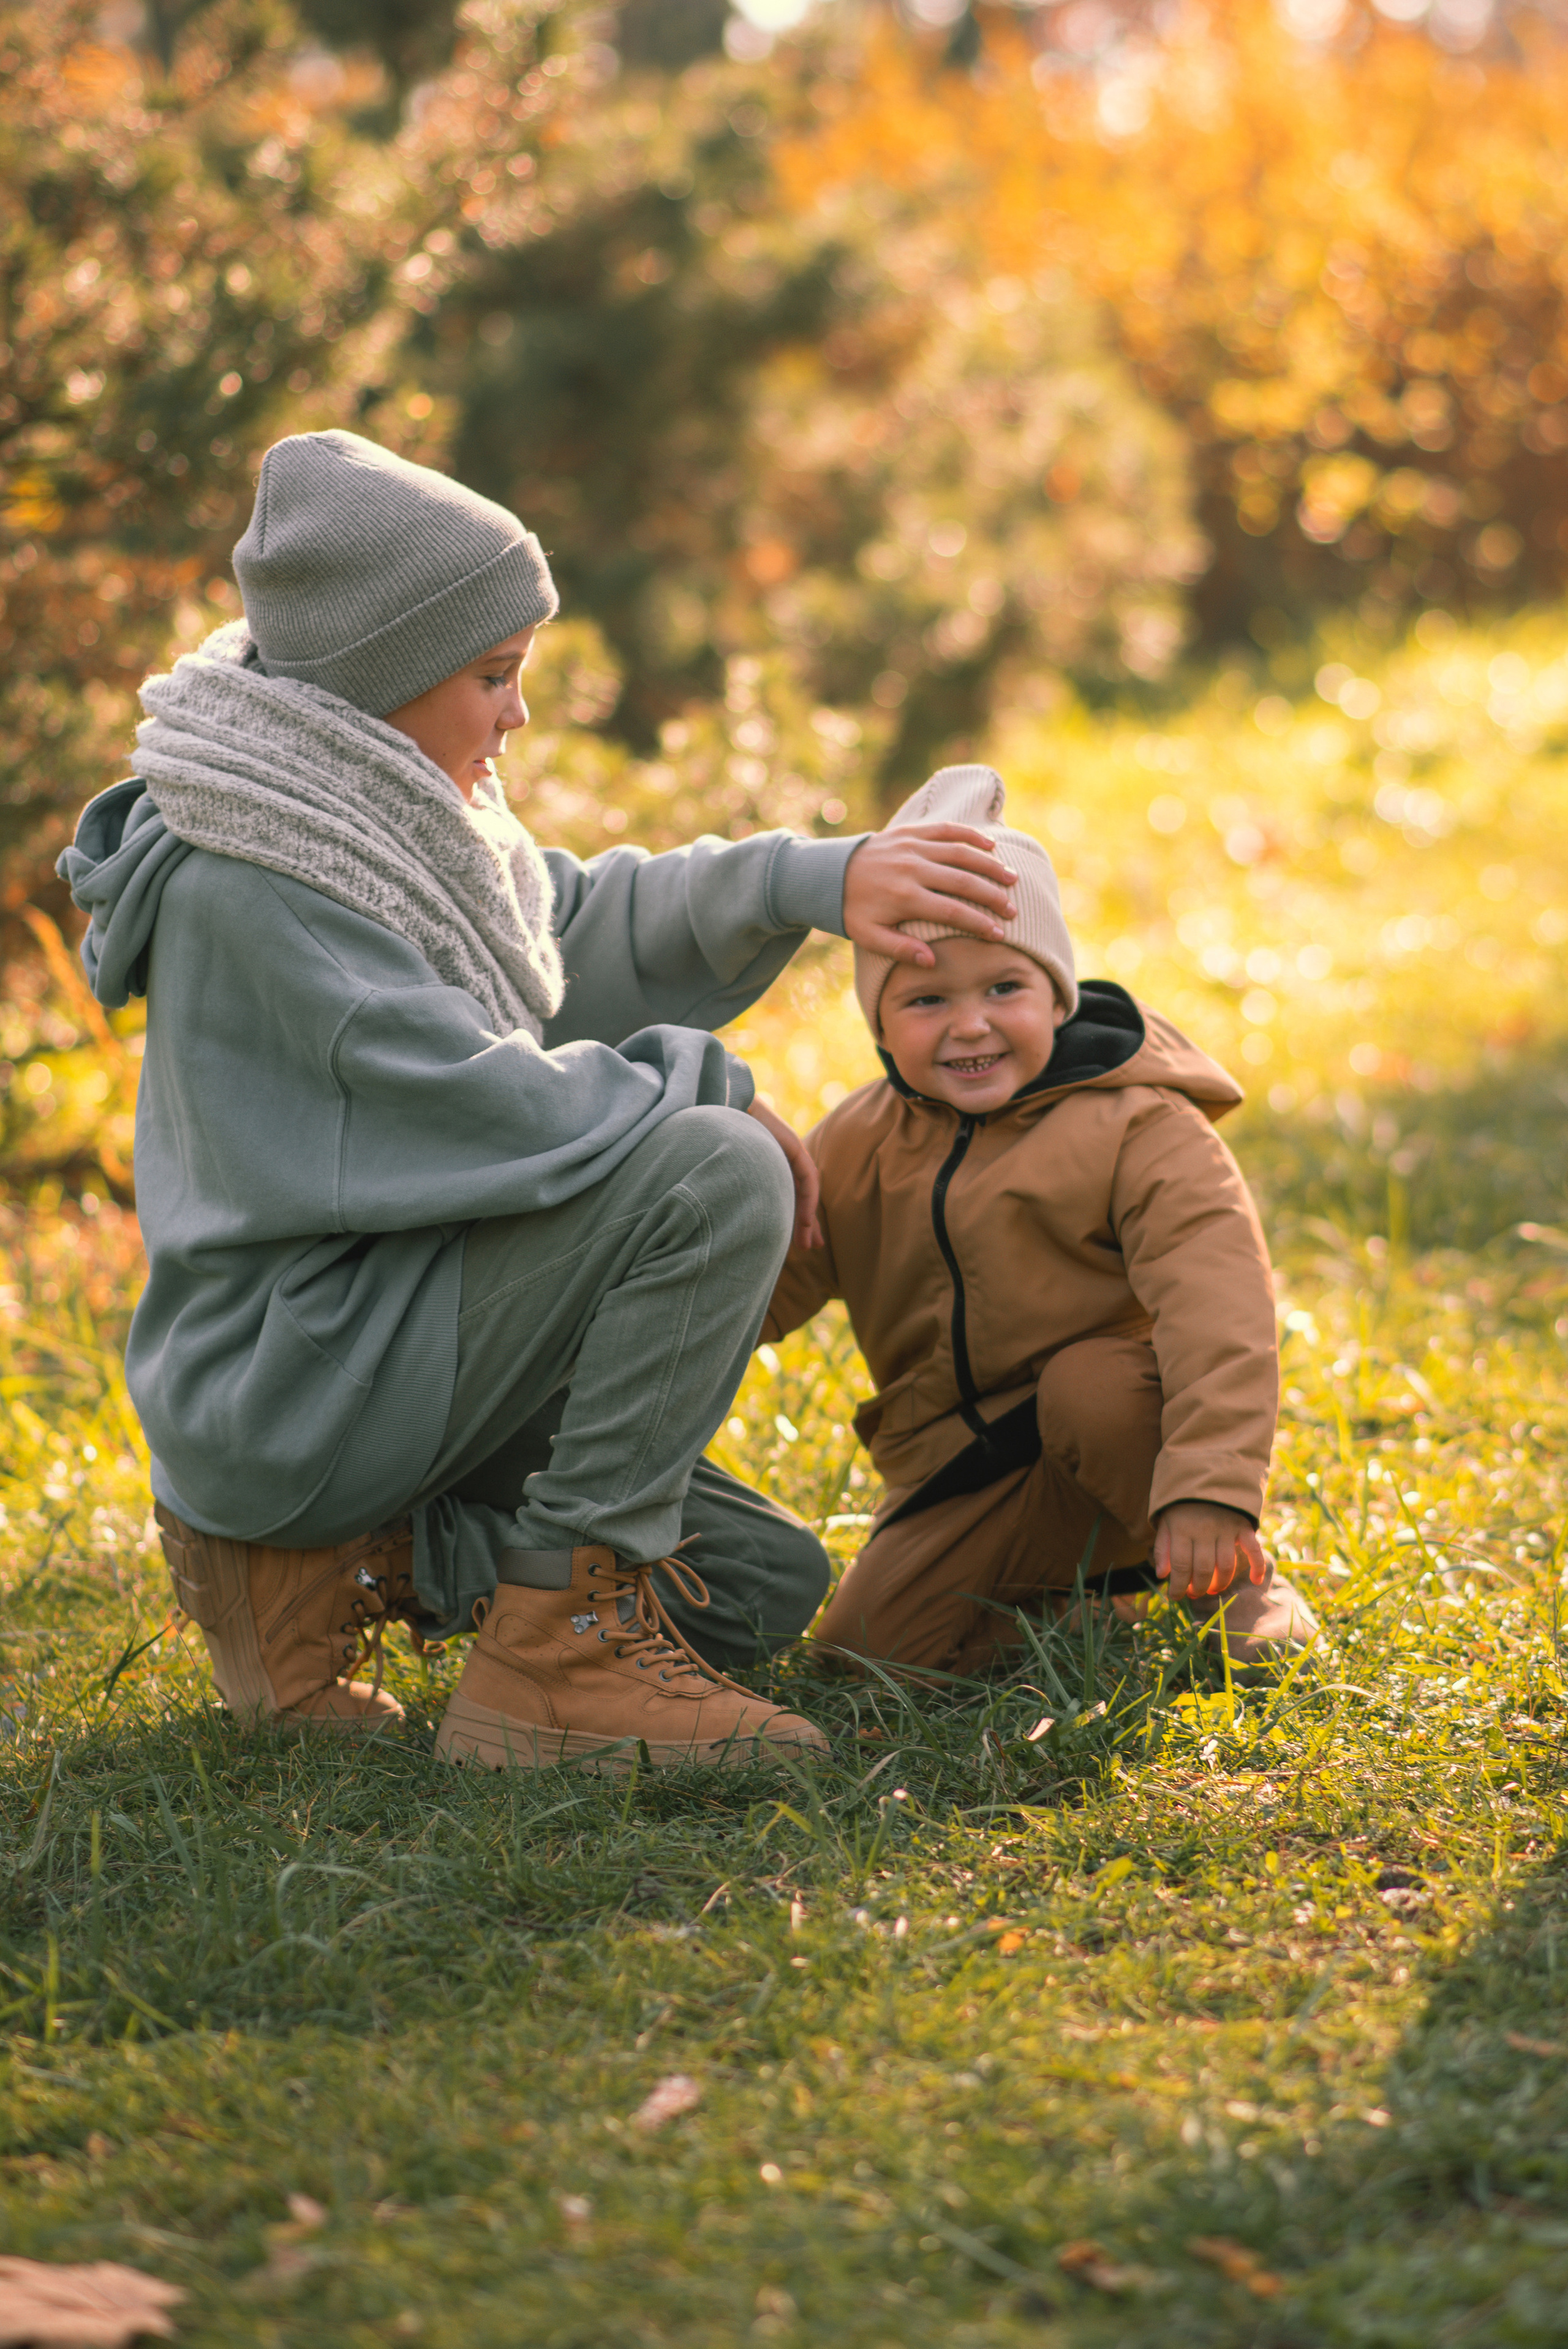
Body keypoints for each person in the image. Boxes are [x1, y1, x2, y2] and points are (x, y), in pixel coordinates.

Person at [58, 429, 1022, 1767]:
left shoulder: (361, 801)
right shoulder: (255, 884)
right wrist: (708, 1091)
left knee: (749, 1589)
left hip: (386, 1342)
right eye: (492, 677)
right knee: (711, 1165)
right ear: (377, 681)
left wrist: (814, 878)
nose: (517, 714)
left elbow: (556, 926)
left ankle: (335, 1570)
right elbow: (470, 1105)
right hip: (294, 1379)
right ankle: (548, 1671)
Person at [762, 763, 1320, 1677]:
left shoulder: (1136, 1121)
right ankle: (1078, 1604)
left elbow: (1216, 1302)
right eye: (926, 998)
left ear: (1057, 994)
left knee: (1091, 1384)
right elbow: (767, 1277)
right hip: (965, 1467)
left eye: (1004, 989)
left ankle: (1233, 1582)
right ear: (878, 1022)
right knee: (861, 1662)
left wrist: (1215, 1486)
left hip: (1125, 1432)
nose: (971, 1025)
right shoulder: (859, 1140)